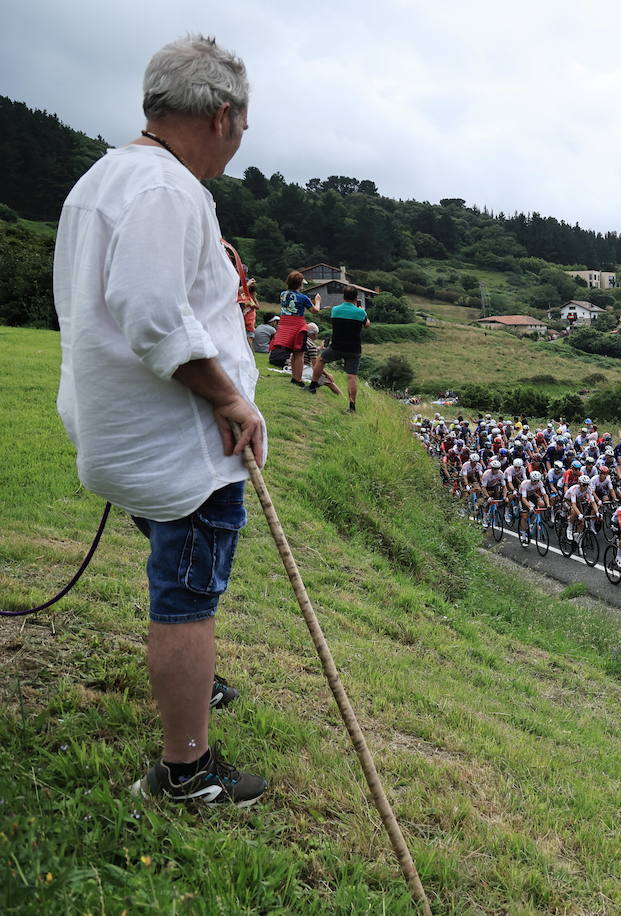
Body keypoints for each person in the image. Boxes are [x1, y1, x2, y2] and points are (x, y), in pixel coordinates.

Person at [53, 34, 267, 806]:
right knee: (187, 594)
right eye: (243, 126)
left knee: (181, 582)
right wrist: (228, 396)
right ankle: (186, 771)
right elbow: (154, 320)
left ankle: (192, 679)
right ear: (219, 115)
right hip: (177, 445)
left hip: (120, 432)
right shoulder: (168, 191)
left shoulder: (104, 179)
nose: (242, 142)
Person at [307, 287, 368, 411]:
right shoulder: (361, 313)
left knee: (321, 360)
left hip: (336, 346)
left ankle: (313, 385)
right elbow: (367, 325)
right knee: (352, 376)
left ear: (343, 297)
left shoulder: (335, 310)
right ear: (356, 298)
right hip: (354, 349)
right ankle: (352, 406)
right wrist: (362, 310)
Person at [276, 270, 320, 385]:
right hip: (298, 327)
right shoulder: (303, 297)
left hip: (285, 325)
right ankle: (298, 379)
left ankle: (294, 377)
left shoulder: (283, 294)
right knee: (299, 353)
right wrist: (318, 301)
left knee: (293, 352)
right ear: (300, 284)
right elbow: (315, 311)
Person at [302, 323, 341, 395]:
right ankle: (341, 396)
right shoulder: (312, 346)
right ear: (314, 334)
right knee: (329, 381)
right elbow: (315, 365)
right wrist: (327, 374)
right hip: (303, 368)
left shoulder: (303, 340)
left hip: (291, 366)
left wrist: (320, 348)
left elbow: (308, 351)